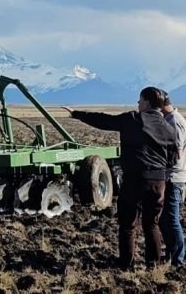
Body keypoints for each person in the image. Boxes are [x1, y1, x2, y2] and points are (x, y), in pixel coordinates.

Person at [63, 87, 179, 269]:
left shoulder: (133, 119)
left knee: (128, 224)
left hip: (134, 180)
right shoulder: (169, 129)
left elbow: (104, 121)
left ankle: (127, 265)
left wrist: (77, 114)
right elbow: (173, 159)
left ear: (147, 102)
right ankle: (154, 266)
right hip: (158, 183)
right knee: (152, 224)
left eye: (140, 100)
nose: (138, 104)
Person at [161, 91, 186, 266]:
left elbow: (176, 154)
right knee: (165, 219)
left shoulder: (175, 122)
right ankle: (173, 252)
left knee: (172, 219)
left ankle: (179, 258)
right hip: (171, 175)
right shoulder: (170, 119)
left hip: (173, 176)